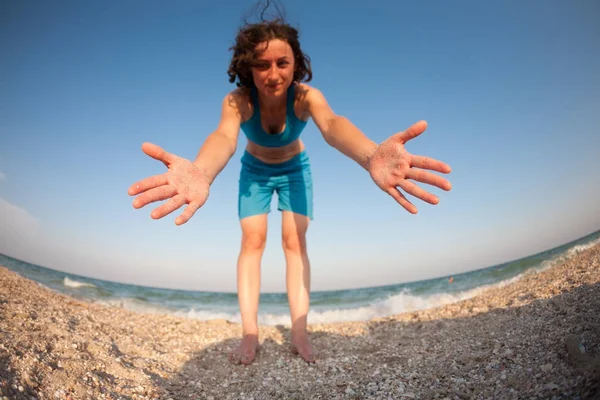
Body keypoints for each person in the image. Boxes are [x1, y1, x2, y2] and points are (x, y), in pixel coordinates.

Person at [128, 17, 452, 365]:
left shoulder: (305, 98)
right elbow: (224, 137)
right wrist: (203, 171)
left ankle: (299, 331)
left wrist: (370, 154)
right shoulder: (238, 102)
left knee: (294, 242)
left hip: (295, 169)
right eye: (262, 65)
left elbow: (331, 124)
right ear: (247, 68)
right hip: (255, 171)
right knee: (252, 241)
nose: (273, 74)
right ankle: (250, 333)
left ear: (295, 64)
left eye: (282, 63)